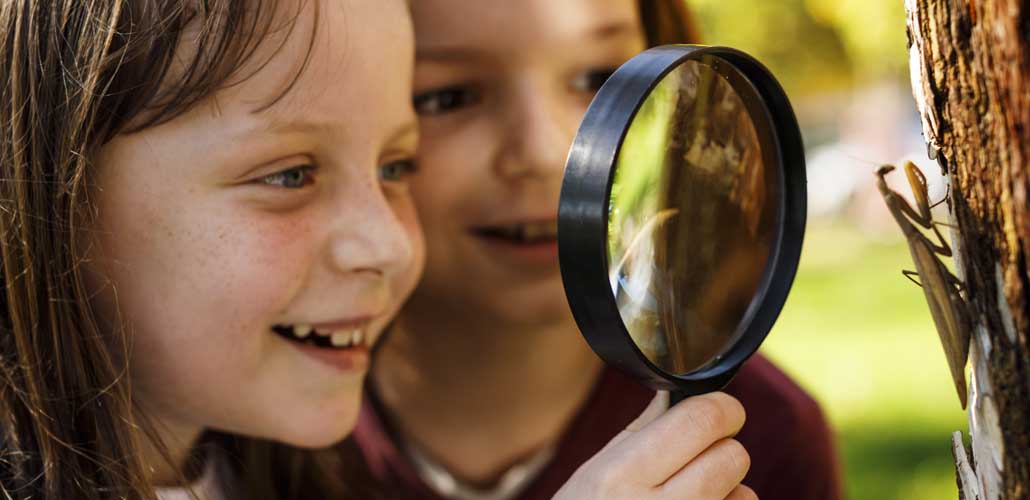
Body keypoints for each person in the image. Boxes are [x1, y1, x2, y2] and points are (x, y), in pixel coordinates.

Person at [0, 1, 753, 498]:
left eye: (395, 168)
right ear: (46, 186)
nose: (390, 244)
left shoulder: (285, 472)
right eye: (289, 175)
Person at [358, 0, 843, 499]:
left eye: (599, 78)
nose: (544, 153)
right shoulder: (282, 423)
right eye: (449, 96)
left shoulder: (760, 441)